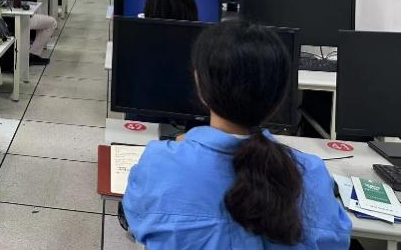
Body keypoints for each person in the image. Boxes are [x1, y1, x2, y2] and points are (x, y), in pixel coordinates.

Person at [123, 21, 351, 249]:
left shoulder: (159, 163)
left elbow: (136, 220)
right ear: (280, 95)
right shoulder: (310, 174)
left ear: (200, 84)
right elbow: (337, 241)